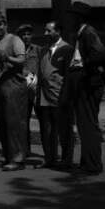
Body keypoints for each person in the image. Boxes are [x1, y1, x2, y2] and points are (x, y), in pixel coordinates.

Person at [64, 2, 105, 175]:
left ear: (79, 17)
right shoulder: (81, 33)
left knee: (88, 125)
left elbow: (99, 54)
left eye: (72, 16)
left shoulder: (88, 32)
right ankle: (87, 162)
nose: (70, 19)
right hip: (86, 85)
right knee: (85, 125)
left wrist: (83, 68)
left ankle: (93, 165)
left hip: (90, 86)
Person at [0, 12, 28, 171]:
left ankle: (18, 160)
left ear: (5, 24)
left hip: (13, 86)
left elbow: (22, 60)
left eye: (0, 25)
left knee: (14, 123)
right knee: (1, 123)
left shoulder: (14, 39)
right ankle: (7, 156)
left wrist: (7, 58)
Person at [35, 21, 74, 169]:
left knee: (64, 130)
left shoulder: (67, 49)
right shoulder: (44, 50)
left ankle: (66, 160)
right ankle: (49, 159)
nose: (45, 34)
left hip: (60, 98)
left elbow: (69, 76)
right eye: (45, 30)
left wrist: (66, 97)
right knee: (47, 130)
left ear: (58, 31)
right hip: (44, 98)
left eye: (48, 31)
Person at [16, 23, 40, 154]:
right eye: (23, 35)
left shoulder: (37, 50)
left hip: (36, 91)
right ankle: (25, 150)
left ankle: (48, 153)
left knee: (43, 120)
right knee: (23, 121)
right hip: (22, 91)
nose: (26, 37)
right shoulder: (16, 51)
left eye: (28, 34)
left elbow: (43, 66)